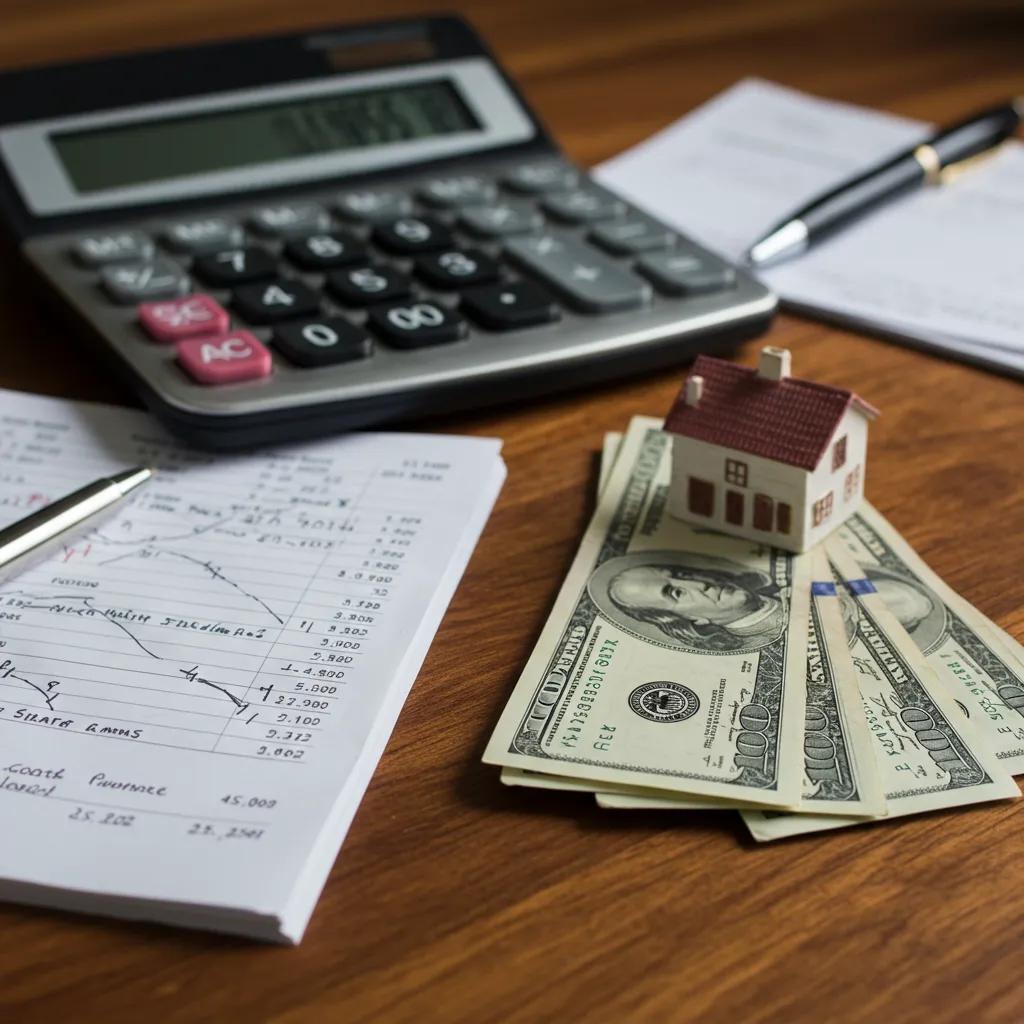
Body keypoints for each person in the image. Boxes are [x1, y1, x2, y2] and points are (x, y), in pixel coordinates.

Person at [605, 561, 785, 653]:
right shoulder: (762, 642)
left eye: (681, 575)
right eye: (677, 593)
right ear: (689, 619)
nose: (700, 584)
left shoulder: (773, 588)